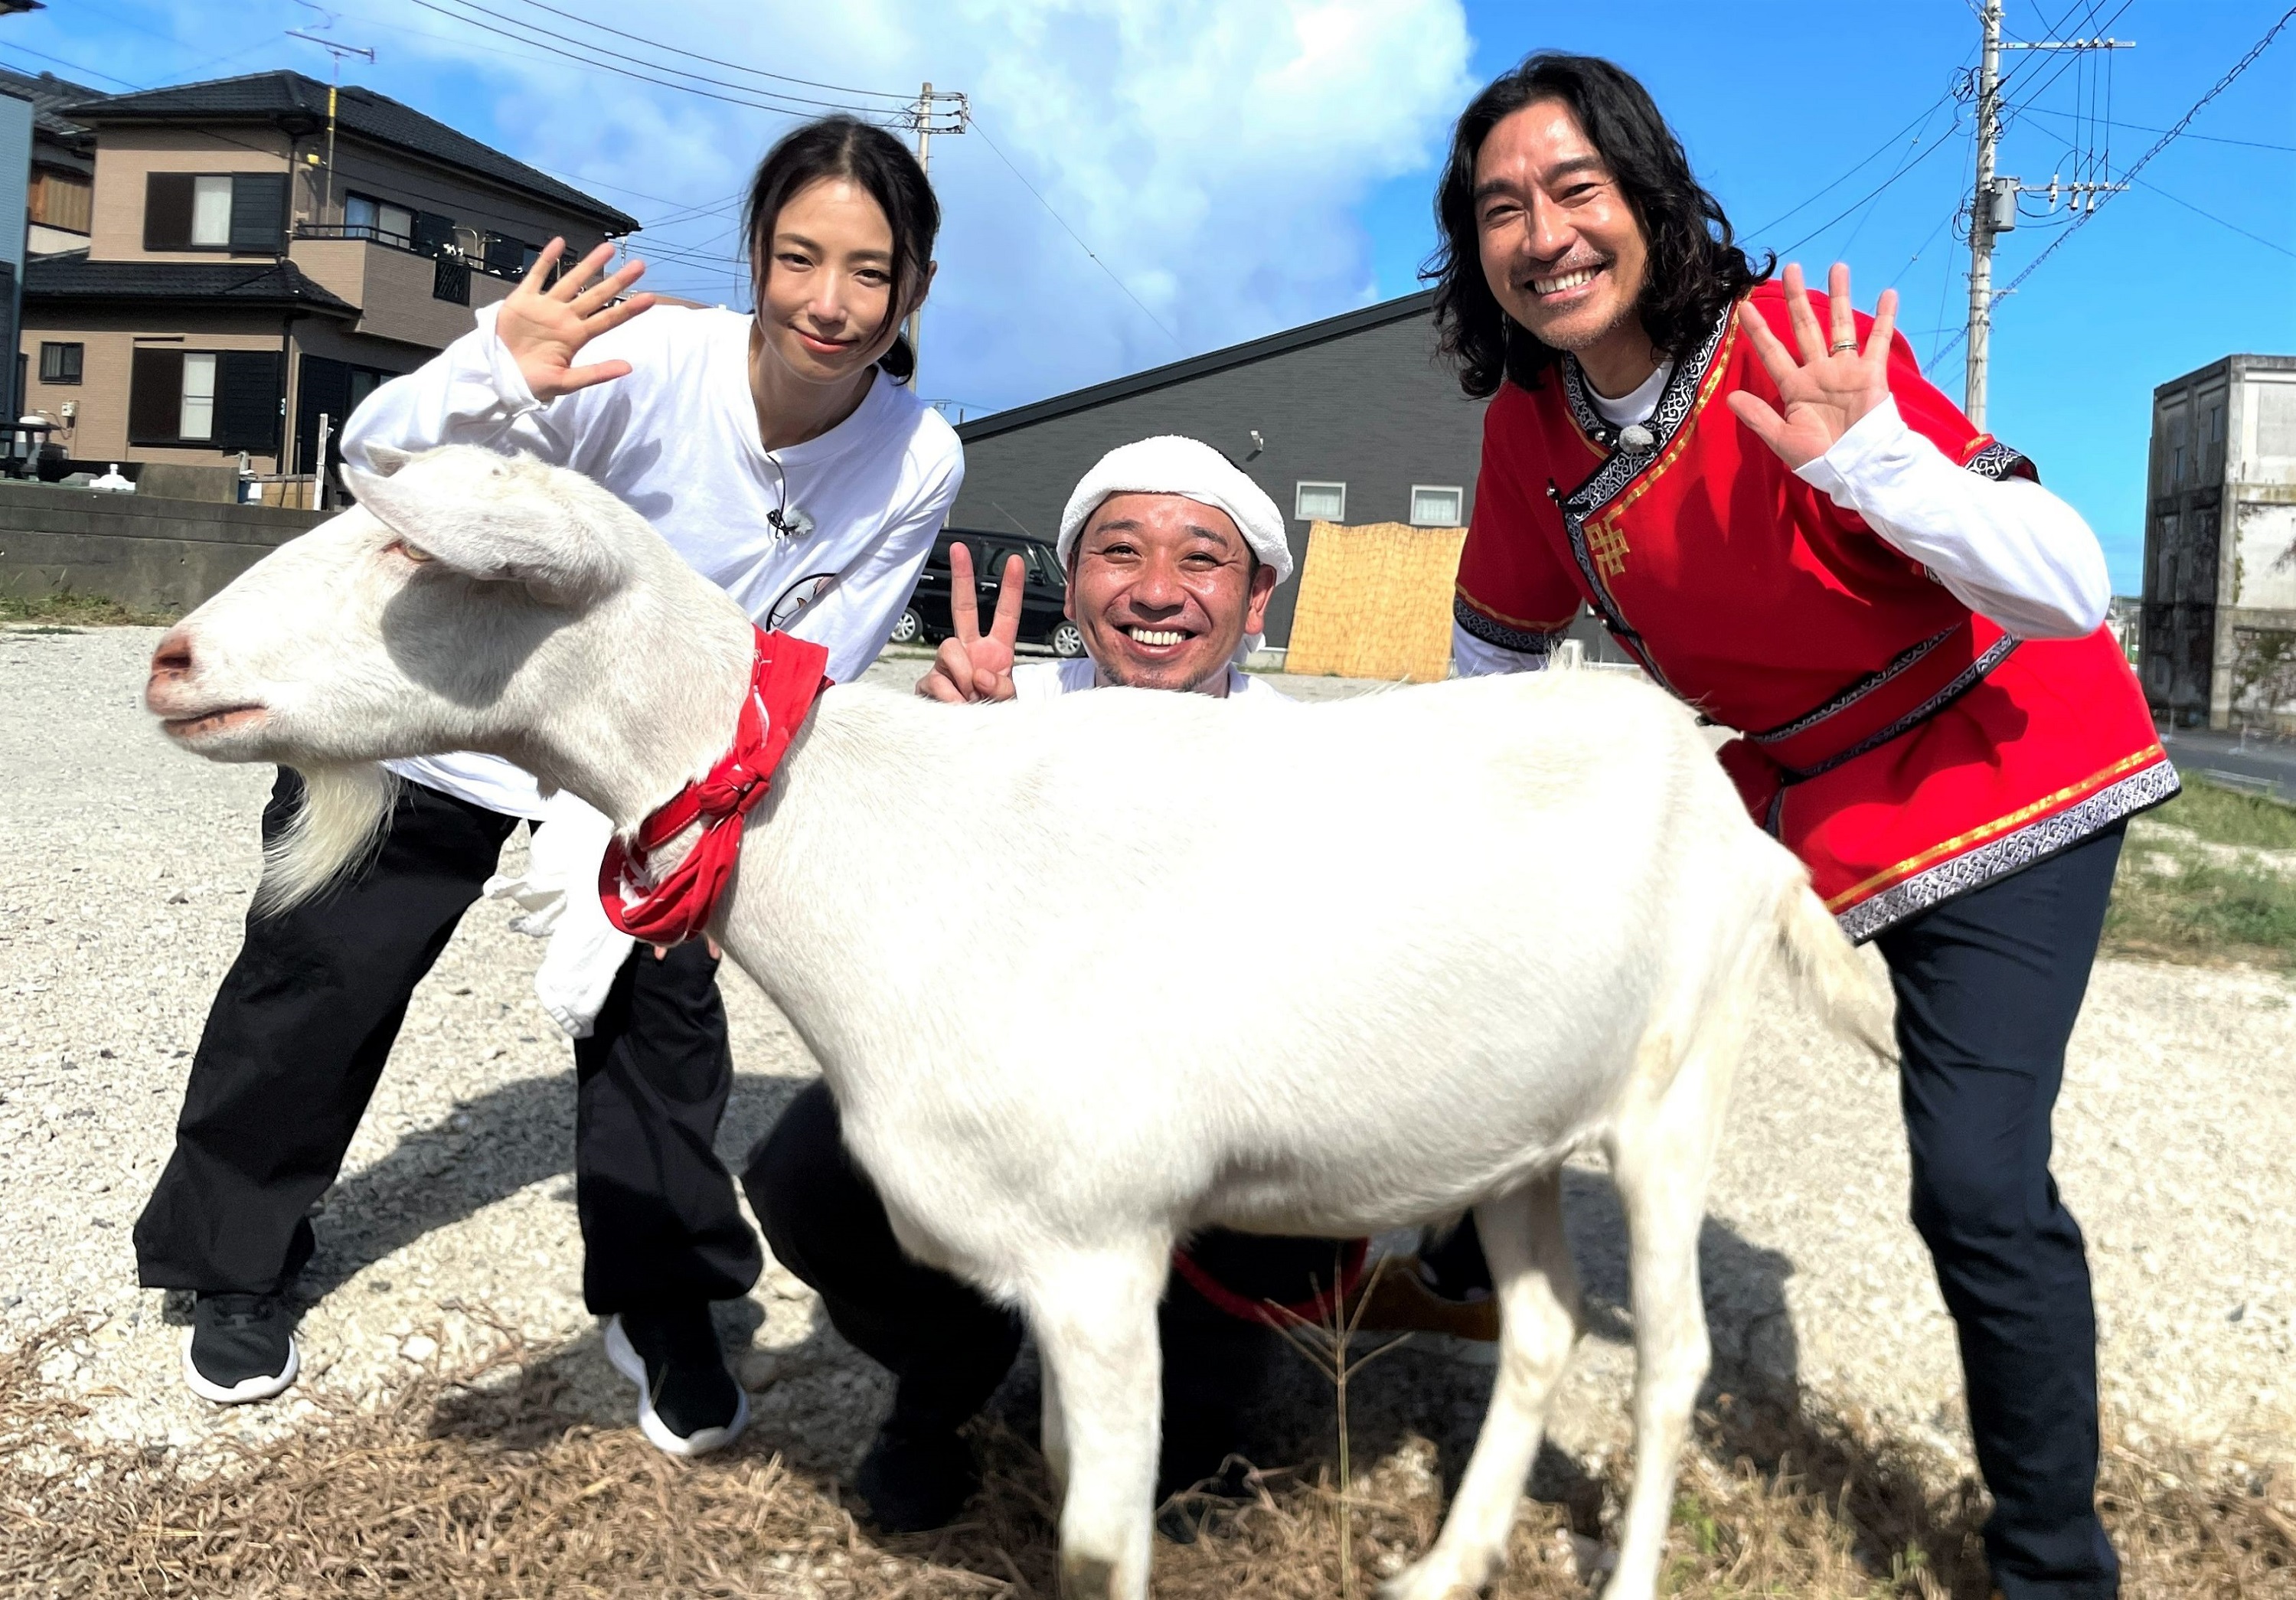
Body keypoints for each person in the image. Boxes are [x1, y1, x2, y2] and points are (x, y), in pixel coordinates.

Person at [1426, 54, 2170, 1600]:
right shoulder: (1531, 428)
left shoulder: (1789, 348)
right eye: (1502, 208)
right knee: (1514, 961)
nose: (1544, 233)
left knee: (1974, 1176)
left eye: (1576, 189)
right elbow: (1494, 668)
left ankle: (2058, 1565)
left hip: (2008, 765)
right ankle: (1448, 1238)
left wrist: (1860, 455)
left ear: (1648, 197)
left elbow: (2066, 583)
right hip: (1791, 793)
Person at [133, 116, 964, 1462]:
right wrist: (488, 373)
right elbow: (389, 468)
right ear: (756, 256)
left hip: (644, 756)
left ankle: (670, 1301)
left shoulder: (917, 457)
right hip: (446, 714)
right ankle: (231, 1257)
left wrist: (664, 807)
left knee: (663, 1021)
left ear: (914, 287)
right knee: (319, 976)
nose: (831, 300)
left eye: (870, 272)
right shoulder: (641, 364)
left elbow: (817, 652)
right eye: (800, 257)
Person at [746, 436, 1356, 1533]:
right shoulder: (997, 708)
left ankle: (1190, 1402)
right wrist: (945, 774)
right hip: (1006, 1091)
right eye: (1119, 553)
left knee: (1270, 1251)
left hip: (1217, 1116)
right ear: (1075, 587)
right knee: (804, 1173)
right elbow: (877, 945)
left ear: (1258, 596)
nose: (1158, 591)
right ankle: (949, 1372)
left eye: (1202, 559)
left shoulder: (1314, 764)